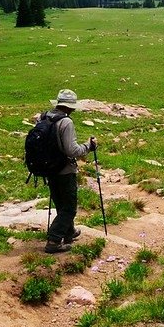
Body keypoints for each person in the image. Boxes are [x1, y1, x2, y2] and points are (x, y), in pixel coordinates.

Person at [41, 89, 96, 254]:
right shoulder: (66, 122)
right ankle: (54, 239)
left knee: (60, 201)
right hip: (64, 169)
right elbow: (72, 150)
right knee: (70, 207)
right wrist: (89, 146)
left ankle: (68, 231)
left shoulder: (44, 117)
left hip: (48, 167)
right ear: (69, 107)